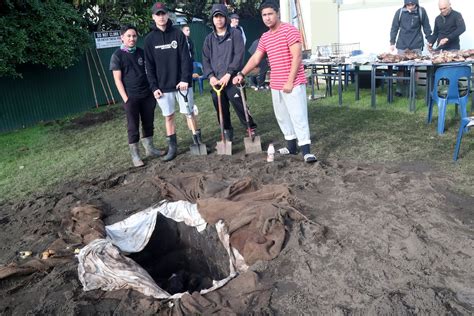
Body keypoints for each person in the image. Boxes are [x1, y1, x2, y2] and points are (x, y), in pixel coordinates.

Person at [233, 1, 317, 163]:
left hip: (293, 83)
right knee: (282, 116)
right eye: (264, 15)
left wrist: (290, 81)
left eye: (270, 14)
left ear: (277, 13)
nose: (267, 18)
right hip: (276, 83)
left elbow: (297, 57)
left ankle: (306, 150)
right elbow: (256, 58)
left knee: (298, 115)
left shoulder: (289, 30)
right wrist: (242, 73)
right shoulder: (265, 37)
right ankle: (291, 146)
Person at [144, 2, 203, 162]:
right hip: (163, 87)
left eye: (163, 13)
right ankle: (172, 147)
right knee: (168, 116)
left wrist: (185, 79)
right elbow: (149, 66)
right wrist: (154, 86)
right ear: (153, 17)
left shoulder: (178, 34)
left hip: (182, 84)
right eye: (158, 14)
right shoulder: (149, 40)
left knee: (189, 113)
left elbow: (186, 59)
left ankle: (197, 140)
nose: (161, 16)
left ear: (167, 15)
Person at [202, 4, 257, 143]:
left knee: (238, 102)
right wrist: (211, 76)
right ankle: (226, 130)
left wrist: (229, 73)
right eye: (216, 16)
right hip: (217, 81)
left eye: (221, 16)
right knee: (219, 104)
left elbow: (239, 54)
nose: (219, 19)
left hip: (232, 78)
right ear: (212, 19)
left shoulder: (235, 34)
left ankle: (250, 127)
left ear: (226, 17)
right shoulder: (209, 39)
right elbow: (205, 59)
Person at [110, 24, 162, 167]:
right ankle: (135, 155)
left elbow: (150, 71)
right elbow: (117, 80)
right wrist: (126, 98)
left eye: (134, 36)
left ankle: (150, 149)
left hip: (147, 95)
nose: (132, 38)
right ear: (122, 37)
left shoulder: (141, 52)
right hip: (131, 98)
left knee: (148, 122)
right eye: (128, 36)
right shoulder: (117, 56)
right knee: (133, 126)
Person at [389, 0, 431, 96]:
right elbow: (394, 27)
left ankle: (414, 90)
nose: (410, 6)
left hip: (416, 43)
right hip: (402, 44)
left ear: (416, 3)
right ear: (405, 4)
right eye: (408, 5)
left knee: (415, 69)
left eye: (412, 4)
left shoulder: (421, 11)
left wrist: (430, 40)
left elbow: (426, 27)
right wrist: (392, 42)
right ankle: (399, 90)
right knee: (400, 68)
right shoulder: (399, 12)